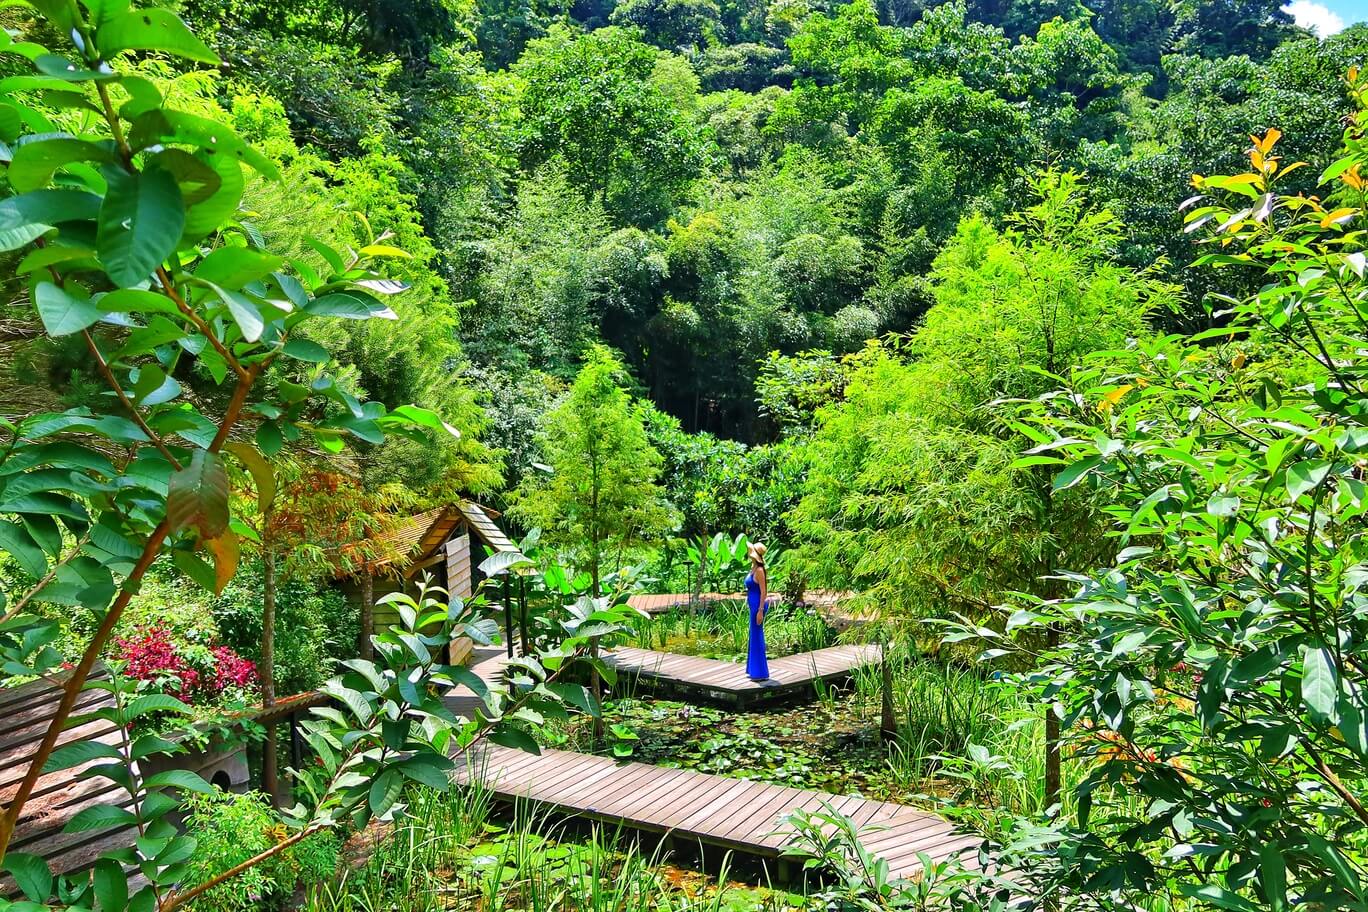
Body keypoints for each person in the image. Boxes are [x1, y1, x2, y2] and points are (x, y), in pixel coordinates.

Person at [745, 542, 769, 680]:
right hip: (752, 605)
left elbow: (763, 591)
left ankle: (760, 672)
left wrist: (760, 610)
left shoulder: (759, 571)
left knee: (757, 636)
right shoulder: (753, 568)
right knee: (753, 636)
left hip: (758, 607)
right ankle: (752, 669)